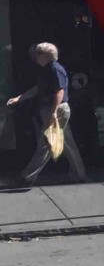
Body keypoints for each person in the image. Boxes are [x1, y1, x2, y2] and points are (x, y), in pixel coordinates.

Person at [6, 42, 87, 185]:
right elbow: (39, 88)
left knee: (45, 143)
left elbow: (59, 91)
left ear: (44, 55)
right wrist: (20, 98)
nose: (34, 57)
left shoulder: (55, 69)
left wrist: (54, 112)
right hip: (56, 110)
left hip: (56, 110)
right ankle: (78, 174)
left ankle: (27, 177)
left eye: (37, 53)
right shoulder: (47, 69)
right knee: (67, 142)